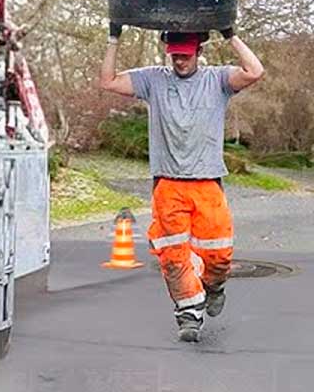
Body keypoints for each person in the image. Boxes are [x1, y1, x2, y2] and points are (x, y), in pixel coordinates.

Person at [99, 23, 264, 343]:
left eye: (186, 55)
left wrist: (230, 35)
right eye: (175, 55)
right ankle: (188, 314)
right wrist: (113, 37)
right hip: (168, 184)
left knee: (218, 254)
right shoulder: (153, 80)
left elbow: (254, 71)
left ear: (198, 52)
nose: (180, 61)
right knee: (172, 255)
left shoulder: (217, 80)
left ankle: (214, 285)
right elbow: (108, 81)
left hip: (207, 183)